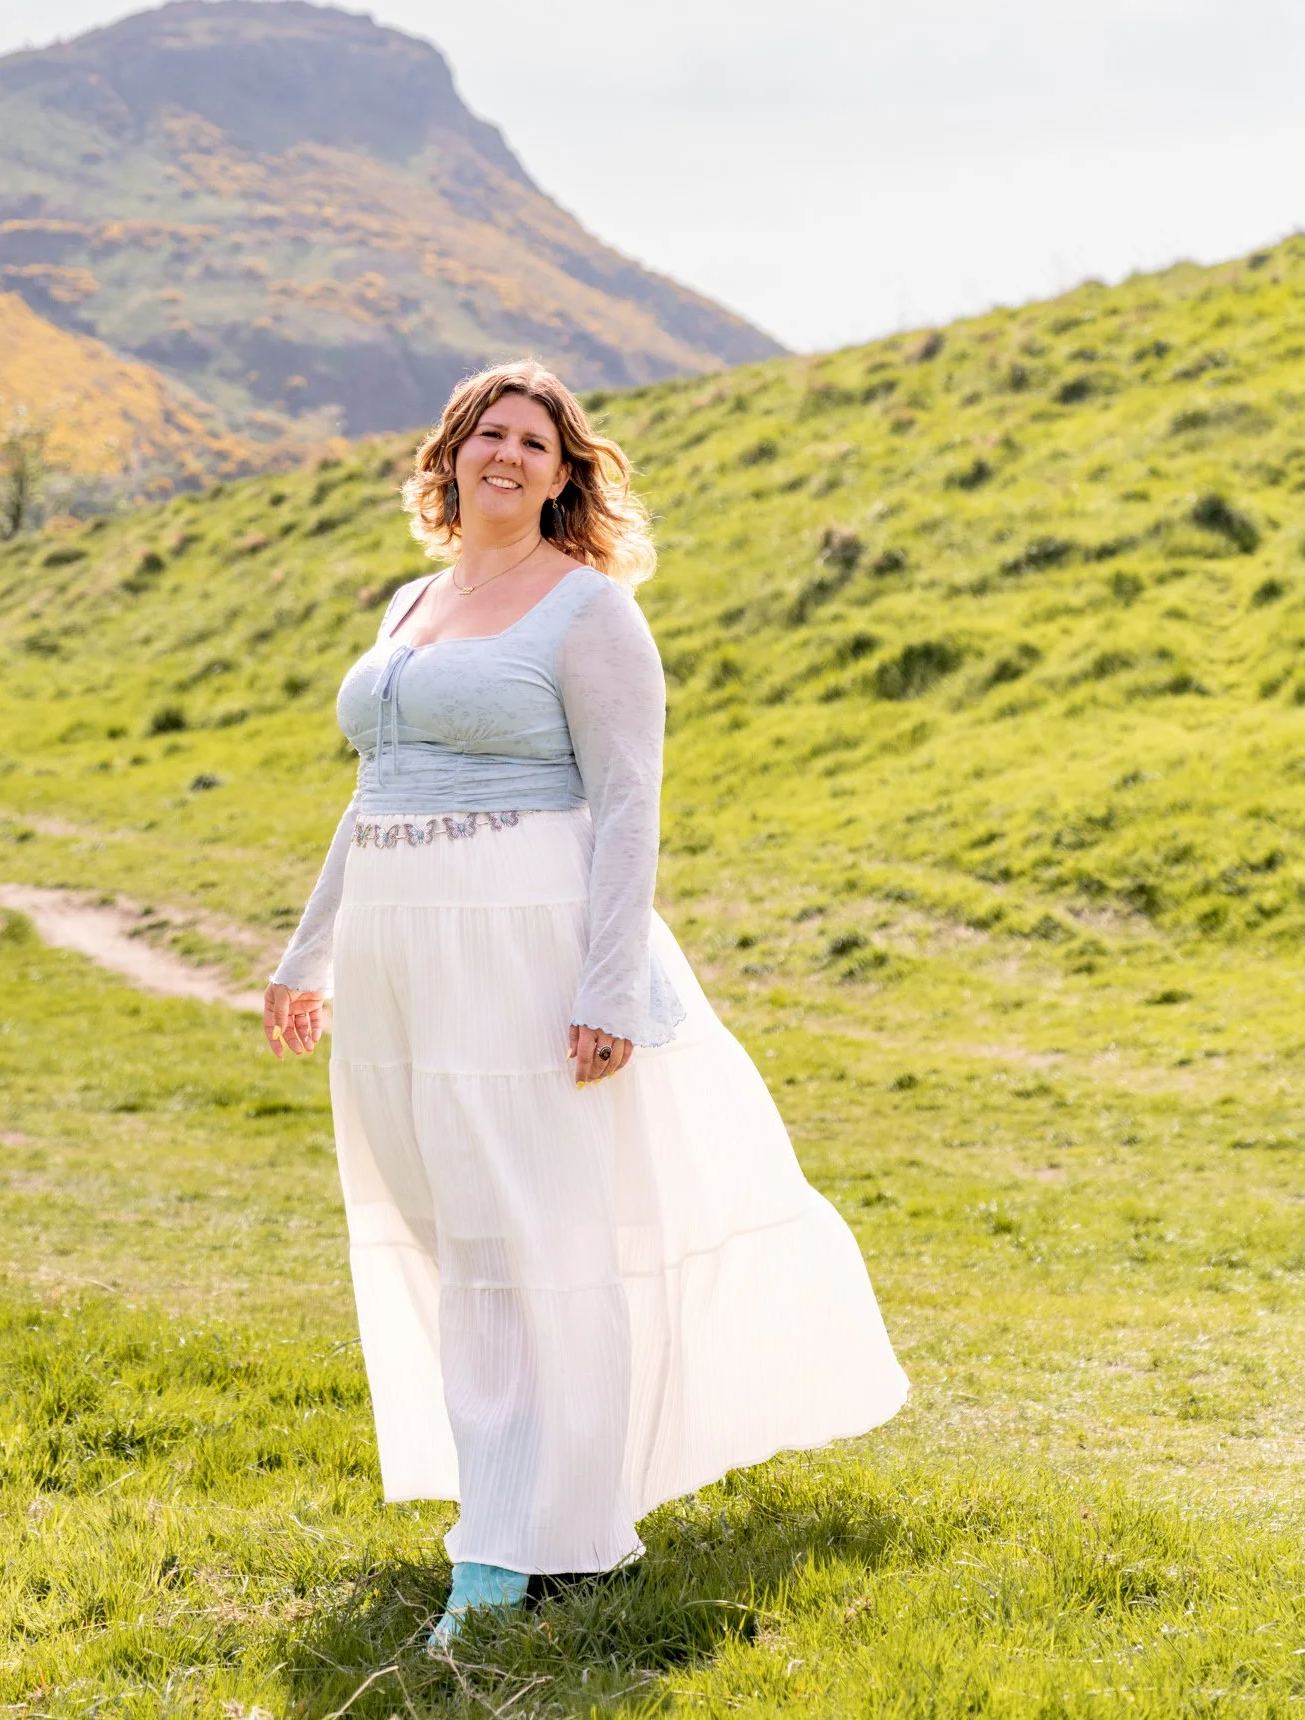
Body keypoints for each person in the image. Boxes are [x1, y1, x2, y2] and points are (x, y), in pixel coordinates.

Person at [264, 361, 907, 1647]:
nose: (505, 453)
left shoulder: (590, 611)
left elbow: (626, 805)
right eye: (486, 433)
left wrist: (605, 982)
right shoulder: (413, 601)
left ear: (566, 476)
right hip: (398, 955)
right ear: (449, 456)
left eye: (533, 441)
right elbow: (375, 785)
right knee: (449, 1233)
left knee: (524, 1243)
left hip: (521, 943)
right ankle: (535, 1493)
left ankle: (508, 1556)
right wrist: (307, 951)